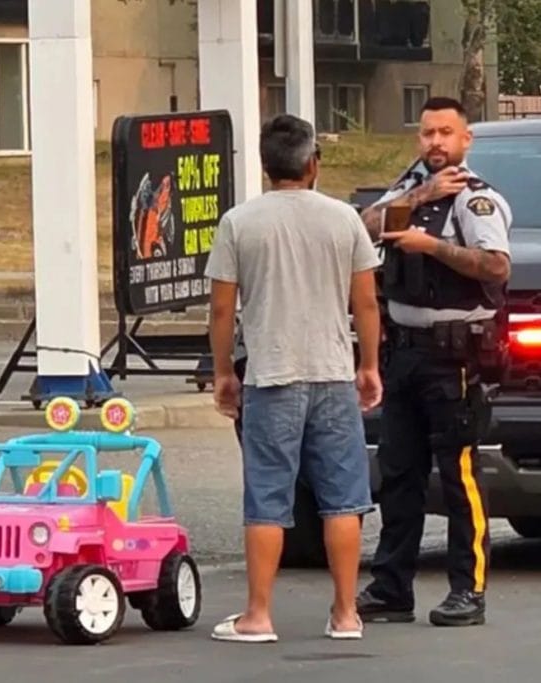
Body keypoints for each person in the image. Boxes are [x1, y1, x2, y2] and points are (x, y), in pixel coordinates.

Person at [204, 113, 383, 643]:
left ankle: (258, 615)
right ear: (313, 164)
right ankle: (346, 613)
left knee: (267, 497)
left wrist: (222, 371)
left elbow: (221, 308)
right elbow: (366, 302)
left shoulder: (239, 222)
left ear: (266, 166)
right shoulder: (344, 219)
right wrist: (368, 365)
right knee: (343, 498)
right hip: (332, 373)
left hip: (271, 375)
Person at [354, 96, 513, 627]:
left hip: (455, 357)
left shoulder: (476, 200)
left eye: (446, 132)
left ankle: (468, 590)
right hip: (404, 353)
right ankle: (391, 589)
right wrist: (418, 195)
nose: (436, 142)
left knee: (459, 475)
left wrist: (432, 247)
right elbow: (365, 227)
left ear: (466, 139)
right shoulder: (410, 188)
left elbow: (496, 267)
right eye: (428, 133)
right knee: (399, 473)